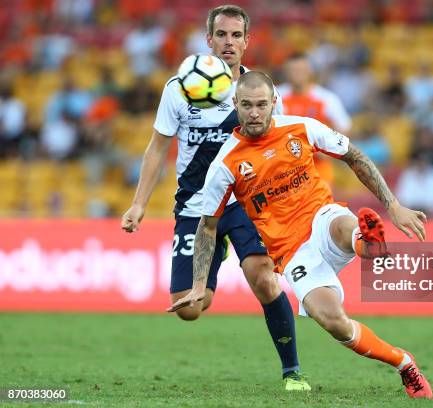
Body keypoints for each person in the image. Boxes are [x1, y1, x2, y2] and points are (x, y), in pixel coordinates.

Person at [169, 71, 433, 399]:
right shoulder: (225, 165)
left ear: (273, 103)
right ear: (235, 105)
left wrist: (393, 206)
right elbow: (207, 226)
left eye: (262, 104)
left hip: (322, 217)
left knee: (341, 225)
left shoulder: (301, 127)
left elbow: (354, 155)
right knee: (334, 322)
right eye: (247, 105)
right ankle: (405, 363)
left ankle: (368, 243)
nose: (255, 112)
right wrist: (198, 285)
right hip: (292, 252)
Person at [120, 5, 310, 391]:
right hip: (194, 204)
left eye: (236, 35)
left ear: (246, 41)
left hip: (245, 203)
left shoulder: (260, 93)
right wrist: (138, 204)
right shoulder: (178, 88)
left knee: (264, 280)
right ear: (208, 40)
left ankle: (292, 372)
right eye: (221, 35)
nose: (228, 42)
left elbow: (277, 152)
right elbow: (157, 148)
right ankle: (215, 254)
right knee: (189, 308)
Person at [278, 52, 352, 186]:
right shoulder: (277, 96)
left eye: (300, 70)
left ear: (310, 71)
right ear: (286, 72)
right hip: (286, 168)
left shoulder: (326, 98)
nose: (297, 74)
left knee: (322, 206)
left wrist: (330, 149)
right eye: (293, 70)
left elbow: (344, 126)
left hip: (319, 168)